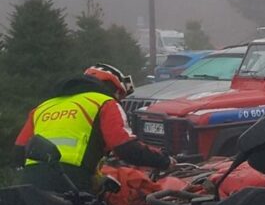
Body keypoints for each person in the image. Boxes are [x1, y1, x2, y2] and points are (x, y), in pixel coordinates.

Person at [14, 63, 171, 192]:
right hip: (72, 182)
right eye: (119, 94)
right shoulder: (104, 102)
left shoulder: (43, 108)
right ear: (113, 87)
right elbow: (126, 148)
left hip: (30, 183)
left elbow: (19, 152)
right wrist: (164, 161)